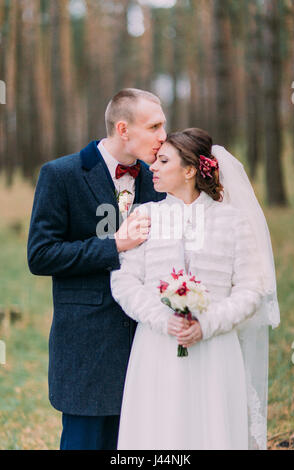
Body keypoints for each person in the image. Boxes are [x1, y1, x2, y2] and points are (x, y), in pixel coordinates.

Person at [111, 128, 280, 450]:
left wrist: (208, 324)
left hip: (215, 349)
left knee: (211, 430)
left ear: (189, 170)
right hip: (157, 346)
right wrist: (163, 319)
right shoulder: (144, 215)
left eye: (163, 161)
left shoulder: (233, 221)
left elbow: (251, 287)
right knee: (158, 431)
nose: (153, 167)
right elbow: (123, 280)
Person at [27, 88, 167, 450]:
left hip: (146, 345)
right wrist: (114, 244)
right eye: (154, 126)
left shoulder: (160, 181)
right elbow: (41, 255)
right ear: (123, 129)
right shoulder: (61, 175)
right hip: (86, 348)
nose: (163, 136)